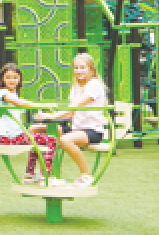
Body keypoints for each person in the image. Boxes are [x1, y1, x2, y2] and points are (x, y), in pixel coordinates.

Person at [34, 53, 107, 186]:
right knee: (35, 130)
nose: (79, 71)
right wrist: (48, 115)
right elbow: (72, 113)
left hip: (92, 131)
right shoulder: (76, 87)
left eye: (83, 68)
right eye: (76, 68)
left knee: (65, 139)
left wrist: (53, 116)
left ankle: (86, 175)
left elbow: (76, 105)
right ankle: (42, 174)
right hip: (76, 129)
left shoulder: (94, 84)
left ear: (91, 69)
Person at [0, 63, 55, 182]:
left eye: (15, 77)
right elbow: (19, 102)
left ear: (19, 79)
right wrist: (42, 105)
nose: (12, 80)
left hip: (13, 134)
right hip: (8, 136)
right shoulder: (3, 93)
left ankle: (30, 174)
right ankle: (46, 177)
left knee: (38, 141)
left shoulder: (13, 93)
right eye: (8, 77)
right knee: (50, 140)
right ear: (2, 79)